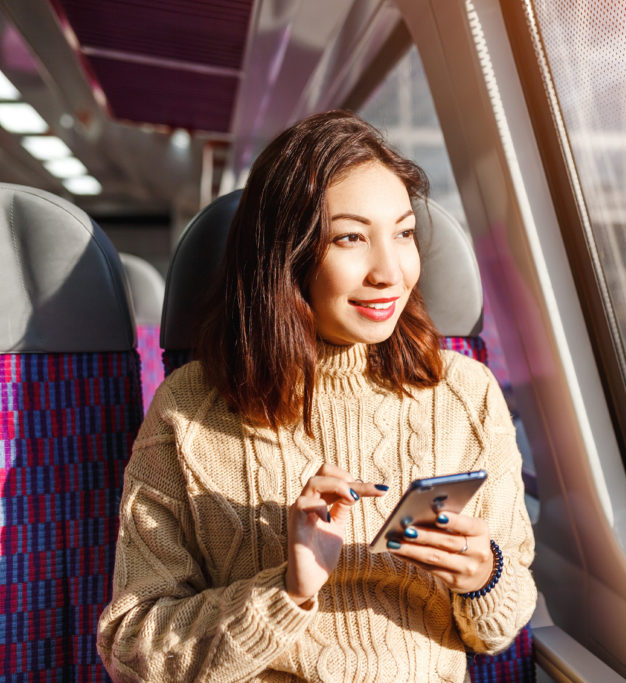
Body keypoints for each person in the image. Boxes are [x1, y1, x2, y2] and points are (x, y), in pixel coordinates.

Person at [96, 110, 536, 682]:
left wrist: (486, 576)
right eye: (351, 237)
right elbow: (130, 647)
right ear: (287, 256)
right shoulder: (189, 411)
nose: (390, 271)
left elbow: (500, 626)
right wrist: (286, 589)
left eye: (403, 234)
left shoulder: (464, 393)